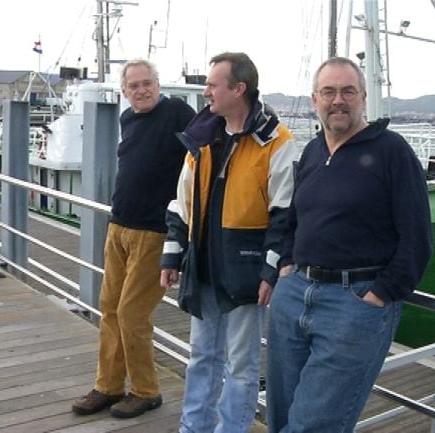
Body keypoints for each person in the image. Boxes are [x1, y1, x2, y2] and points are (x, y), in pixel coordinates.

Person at [266, 57, 433, 433]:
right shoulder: (311, 151)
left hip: (353, 305)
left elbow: (418, 236)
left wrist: (380, 294)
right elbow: (294, 219)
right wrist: (287, 267)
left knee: (313, 425)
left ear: (363, 99)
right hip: (294, 296)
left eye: (347, 91)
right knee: (281, 417)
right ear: (315, 100)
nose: (337, 100)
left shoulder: (392, 152)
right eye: (329, 92)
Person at [159, 52, 296, 433]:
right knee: (202, 355)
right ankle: (193, 427)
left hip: (245, 272)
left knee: (241, 364)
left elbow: (284, 215)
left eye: (211, 84)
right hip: (202, 266)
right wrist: (173, 256)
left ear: (239, 89)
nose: (205, 92)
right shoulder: (202, 137)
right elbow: (182, 201)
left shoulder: (277, 142)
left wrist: (269, 270)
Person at [71, 58, 195, 418]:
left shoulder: (176, 112)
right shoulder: (129, 119)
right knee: (109, 309)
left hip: (154, 233)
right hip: (119, 226)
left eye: (148, 83)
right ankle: (108, 386)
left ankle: (146, 390)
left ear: (159, 84)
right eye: (134, 85)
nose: (142, 90)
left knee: (131, 313)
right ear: (124, 92)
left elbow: (209, 145)